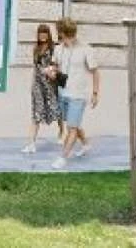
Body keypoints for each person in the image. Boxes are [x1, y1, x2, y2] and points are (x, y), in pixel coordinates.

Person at [48, 18, 100, 170]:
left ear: (63, 33)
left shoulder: (86, 49)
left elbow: (95, 72)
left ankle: (63, 157)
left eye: (59, 32)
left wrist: (95, 93)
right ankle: (86, 144)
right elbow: (54, 67)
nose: (58, 34)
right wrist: (51, 72)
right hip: (62, 93)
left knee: (71, 127)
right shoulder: (58, 49)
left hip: (78, 95)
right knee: (73, 124)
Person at [21, 23, 63, 154]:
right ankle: (31, 144)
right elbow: (36, 67)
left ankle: (62, 132)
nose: (43, 35)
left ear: (48, 34)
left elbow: (58, 64)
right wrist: (33, 84)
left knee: (57, 109)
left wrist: (52, 71)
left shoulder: (54, 48)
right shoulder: (36, 48)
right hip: (38, 84)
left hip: (51, 84)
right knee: (37, 113)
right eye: (41, 33)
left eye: (45, 33)